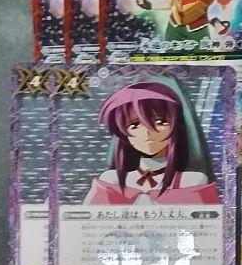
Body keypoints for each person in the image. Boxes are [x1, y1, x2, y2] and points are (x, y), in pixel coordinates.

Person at [84, 80, 219, 205]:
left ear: (177, 126)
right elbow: (86, 220)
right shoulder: (110, 180)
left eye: (160, 122)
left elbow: (211, 220)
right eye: (134, 125)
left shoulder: (193, 181)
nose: (147, 132)